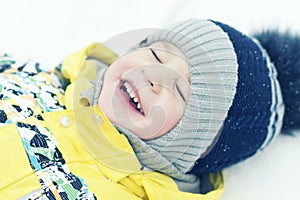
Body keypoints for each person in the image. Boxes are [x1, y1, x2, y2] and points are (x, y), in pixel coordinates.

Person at [0, 18, 299, 199]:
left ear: (193, 147)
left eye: (180, 90)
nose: (151, 75)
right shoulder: (30, 76)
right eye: (156, 54)